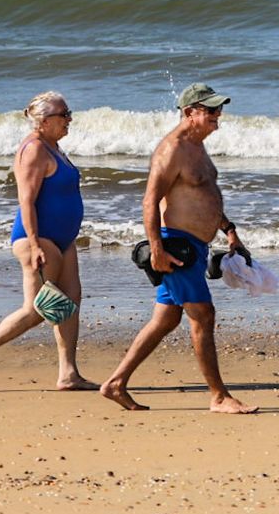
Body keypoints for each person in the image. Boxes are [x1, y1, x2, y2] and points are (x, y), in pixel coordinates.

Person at [101, 82, 257, 414]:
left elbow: (204, 197)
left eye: (219, 110)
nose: (218, 116)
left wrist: (229, 230)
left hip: (197, 246)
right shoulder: (172, 149)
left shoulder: (198, 147)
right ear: (190, 112)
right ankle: (218, 396)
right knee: (203, 314)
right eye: (211, 110)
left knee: (166, 319)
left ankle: (115, 384)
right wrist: (156, 249)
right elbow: (149, 200)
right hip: (176, 246)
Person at [0, 91, 96, 392]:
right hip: (39, 238)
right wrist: (34, 244)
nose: (69, 119)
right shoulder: (33, 150)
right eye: (64, 114)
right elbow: (26, 201)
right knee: (37, 309)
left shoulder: (54, 147)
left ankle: (68, 374)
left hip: (63, 240)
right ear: (45, 121)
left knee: (69, 304)